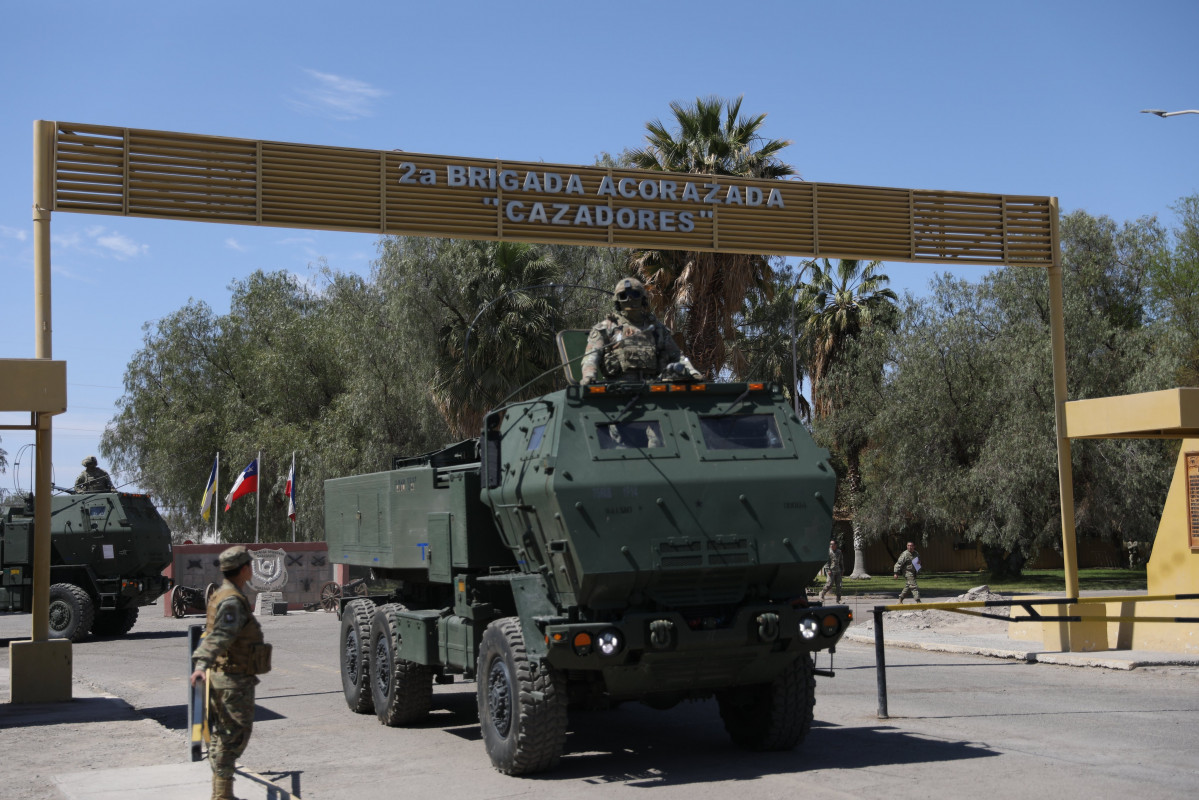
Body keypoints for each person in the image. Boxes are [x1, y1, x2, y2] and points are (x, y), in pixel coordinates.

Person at [189, 546, 271, 800]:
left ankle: (222, 793)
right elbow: (220, 636)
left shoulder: (223, 593)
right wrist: (202, 663)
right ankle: (222, 796)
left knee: (224, 736)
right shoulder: (233, 600)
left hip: (229, 677)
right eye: (250, 565)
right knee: (233, 738)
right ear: (244, 569)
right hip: (233, 680)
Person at [579, 277, 702, 385]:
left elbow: (676, 355)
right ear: (617, 301)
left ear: (642, 299)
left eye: (635, 295)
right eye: (623, 296)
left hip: (654, 390)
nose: (629, 299)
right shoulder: (606, 328)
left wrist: (692, 372)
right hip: (617, 391)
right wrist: (589, 376)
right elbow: (591, 357)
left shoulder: (657, 329)